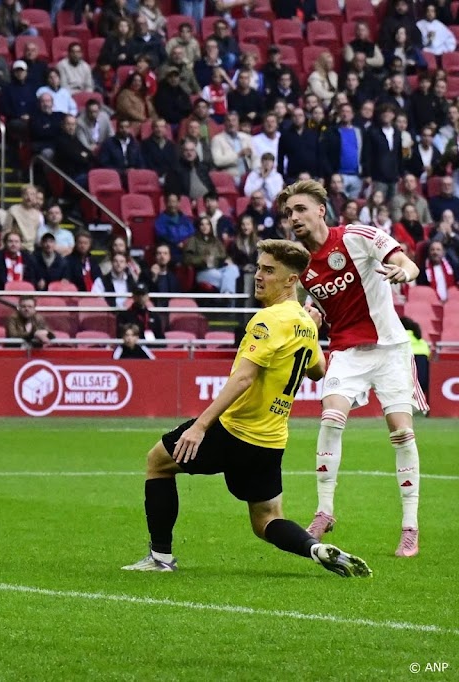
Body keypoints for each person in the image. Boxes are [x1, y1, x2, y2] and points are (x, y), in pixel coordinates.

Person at [122, 239, 372, 578]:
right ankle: (313, 547)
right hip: (269, 440)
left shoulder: (268, 320)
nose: (259, 276)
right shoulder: (304, 322)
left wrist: (200, 426)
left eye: (269, 271)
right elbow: (318, 370)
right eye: (259, 268)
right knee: (266, 520)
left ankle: (160, 557)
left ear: (291, 281)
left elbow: (242, 380)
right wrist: (311, 328)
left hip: (233, 429)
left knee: (158, 462)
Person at [277, 180, 425, 558]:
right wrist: (311, 313)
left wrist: (404, 273)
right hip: (346, 350)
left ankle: (410, 527)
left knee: (401, 433)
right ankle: (324, 511)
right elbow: (323, 303)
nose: (293, 218)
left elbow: (405, 261)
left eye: (300, 209)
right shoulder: (302, 265)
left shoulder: (357, 236)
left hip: (390, 347)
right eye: (288, 213)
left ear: (320, 210)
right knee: (330, 417)